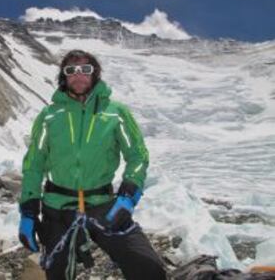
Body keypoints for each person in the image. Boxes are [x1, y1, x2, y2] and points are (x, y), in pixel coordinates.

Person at [18, 49, 167, 280]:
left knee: (148, 267)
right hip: (57, 207)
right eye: (71, 70)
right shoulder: (49, 116)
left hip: (103, 204)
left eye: (85, 69)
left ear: (95, 74)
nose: (78, 75)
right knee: (57, 274)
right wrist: (28, 212)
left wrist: (128, 196)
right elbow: (34, 164)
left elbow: (138, 155)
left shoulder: (116, 113)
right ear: (64, 76)